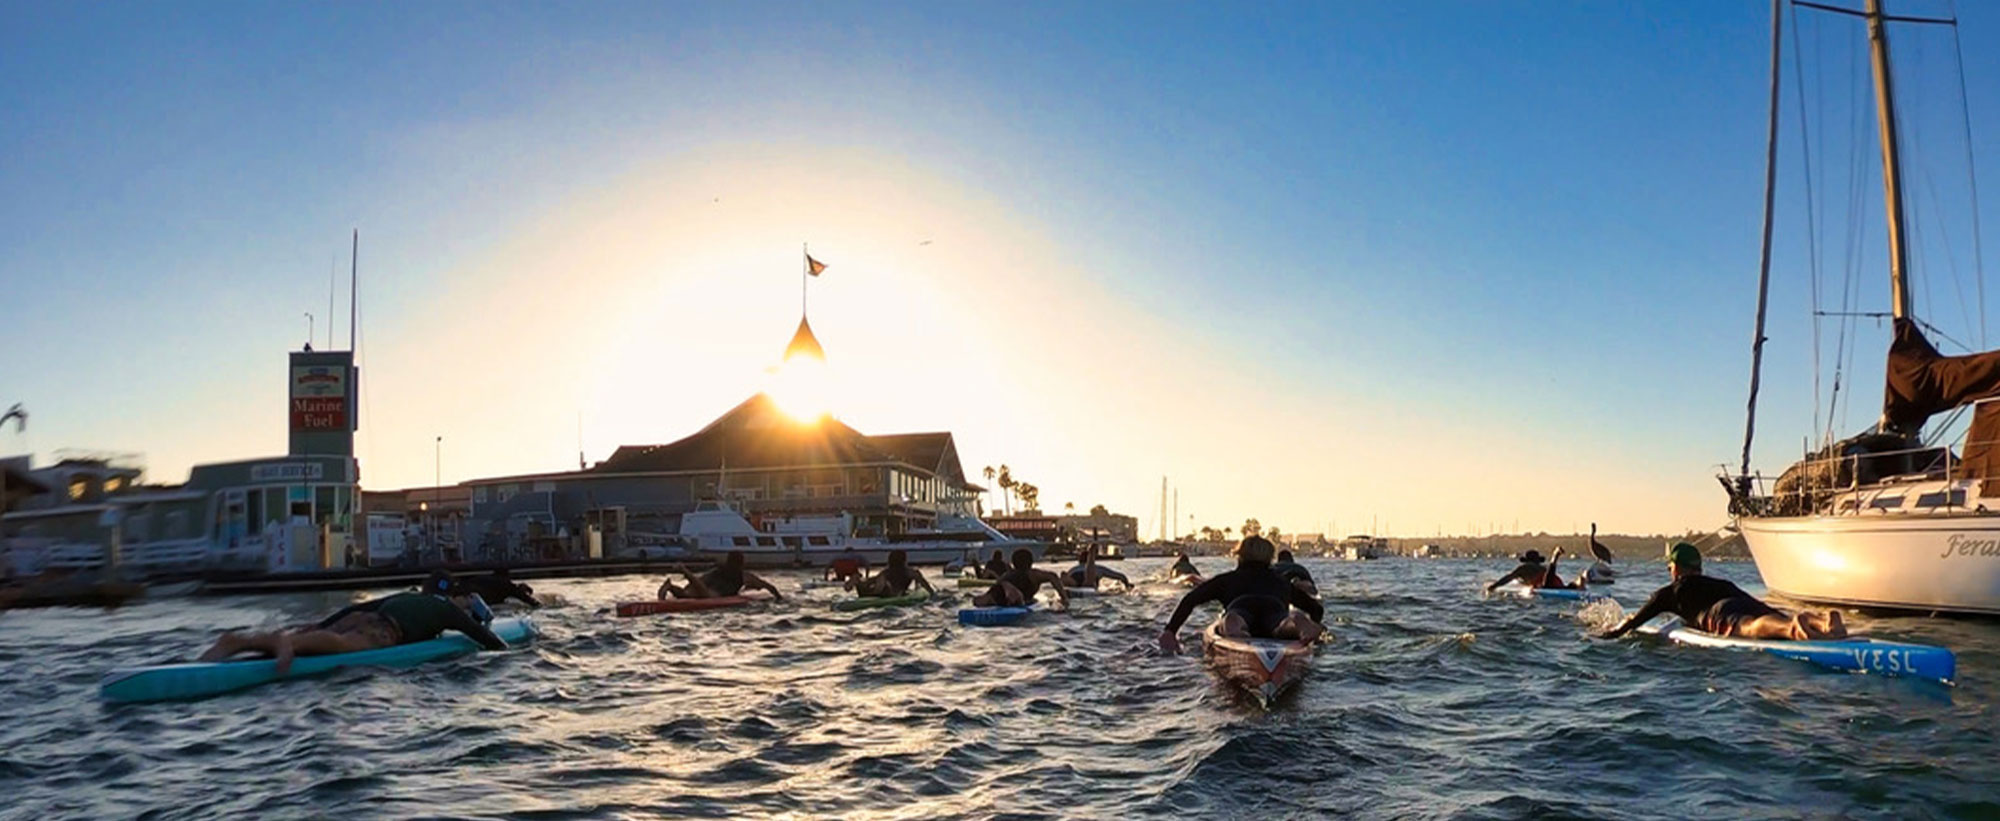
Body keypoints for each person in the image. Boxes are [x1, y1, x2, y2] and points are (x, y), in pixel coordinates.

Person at [196, 571, 508, 675]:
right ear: (453, 595)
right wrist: (512, 651)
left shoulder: (407, 595)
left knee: (326, 640)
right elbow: (486, 639)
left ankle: (240, 642)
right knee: (342, 646)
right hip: (382, 632)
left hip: (362, 617)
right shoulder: (449, 610)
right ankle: (287, 642)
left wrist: (320, 626)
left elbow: (354, 609)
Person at [1600, 543, 1845, 641]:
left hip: (1717, 613)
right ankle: (1822, 621)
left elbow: (1632, 623)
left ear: (1677, 568)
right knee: (1770, 616)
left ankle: (1793, 628)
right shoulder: (1719, 582)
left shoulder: (1669, 593)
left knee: (1749, 626)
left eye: (1670, 567)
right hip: (1736, 597)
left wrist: (1605, 636)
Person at [1159, 536, 1324, 654]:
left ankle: (1233, 625)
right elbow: (1316, 608)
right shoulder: (1281, 582)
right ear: (1269, 558)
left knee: (1234, 617)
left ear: (1240, 556)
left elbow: (1190, 600)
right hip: (1274, 607)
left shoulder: (1226, 580)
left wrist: (1170, 631)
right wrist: (1314, 625)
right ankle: (1295, 623)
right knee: (1281, 625)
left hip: (1240, 606)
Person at [661, 551, 786, 601]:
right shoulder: (744, 576)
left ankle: (670, 586)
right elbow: (769, 587)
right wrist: (779, 599)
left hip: (707, 584)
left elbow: (703, 579)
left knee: (686, 595)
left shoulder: (718, 570)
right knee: (706, 595)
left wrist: (689, 587)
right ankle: (684, 570)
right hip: (715, 593)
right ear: (741, 563)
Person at [973, 548, 1071, 609]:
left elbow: (996, 586)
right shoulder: (1032, 574)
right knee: (1014, 597)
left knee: (983, 599)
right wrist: (1064, 599)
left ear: (1014, 563)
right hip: (1013, 595)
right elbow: (1053, 576)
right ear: (1031, 562)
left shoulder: (1006, 575)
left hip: (999, 591)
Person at [1485, 548, 1582, 592]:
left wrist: (1494, 586)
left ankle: (1555, 556)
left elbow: (1508, 578)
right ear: (1538, 561)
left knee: (1547, 584)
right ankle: (1580, 582)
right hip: (1556, 581)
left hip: (1547, 583)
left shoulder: (1524, 568)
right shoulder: (1541, 567)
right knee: (1568, 587)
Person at [849, 549, 936, 598]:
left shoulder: (886, 572)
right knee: (885, 586)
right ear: (904, 561)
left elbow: (871, 581)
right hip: (891, 593)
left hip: (880, 592)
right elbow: (925, 585)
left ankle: (857, 582)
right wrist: (931, 594)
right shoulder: (910, 572)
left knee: (868, 584)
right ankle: (862, 583)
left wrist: (863, 583)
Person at [460, 567, 541, 608]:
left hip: (469, 597)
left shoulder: (482, 579)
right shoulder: (507, 585)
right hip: (485, 602)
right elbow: (531, 602)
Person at [1063, 546, 1133, 591]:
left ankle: (1067, 580)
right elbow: (1121, 576)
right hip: (1089, 577)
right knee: (1089, 582)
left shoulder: (1073, 569)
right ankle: (1091, 558)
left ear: (1079, 561)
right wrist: (1127, 586)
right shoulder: (1098, 568)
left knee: (1070, 580)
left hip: (1074, 577)